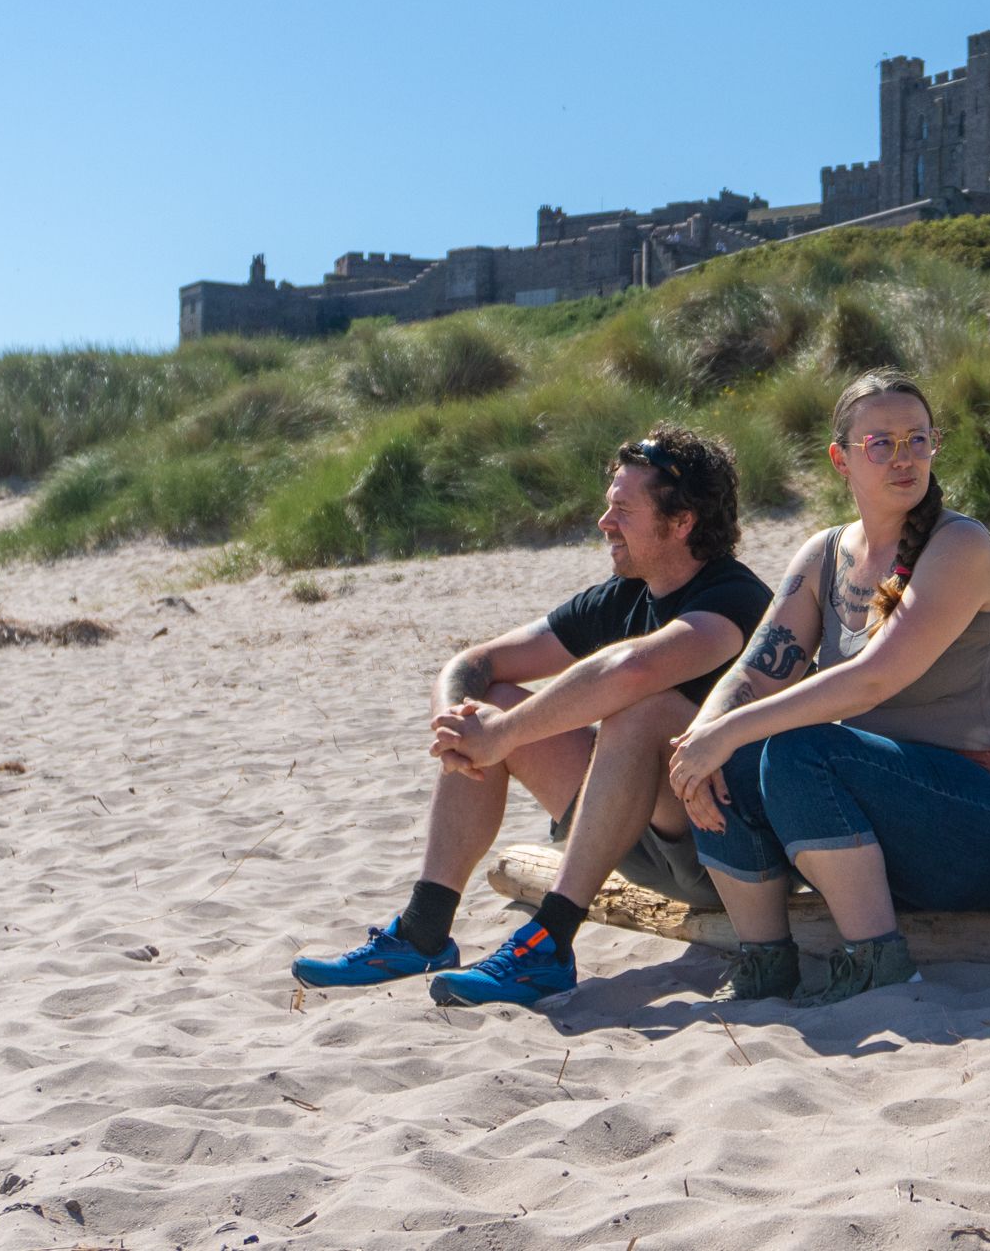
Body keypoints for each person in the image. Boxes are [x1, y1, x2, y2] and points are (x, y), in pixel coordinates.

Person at [664, 369, 990, 1008]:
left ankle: (878, 961)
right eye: (882, 444)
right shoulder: (824, 554)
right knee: (730, 747)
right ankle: (764, 961)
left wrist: (725, 733)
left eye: (917, 440)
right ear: (841, 458)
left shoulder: (960, 545)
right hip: (892, 809)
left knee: (792, 745)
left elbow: (872, 680)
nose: (904, 458)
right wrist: (704, 740)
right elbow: (755, 671)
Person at [290, 427, 770, 1008]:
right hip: (633, 835)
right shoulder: (622, 596)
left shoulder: (736, 600)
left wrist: (503, 736)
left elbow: (631, 670)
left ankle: (549, 942)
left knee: (644, 713)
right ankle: (423, 929)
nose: (603, 522)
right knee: (486, 701)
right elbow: (476, 661)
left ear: (683, 522)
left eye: (622, 509)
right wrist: (457, 729)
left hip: (725, 853)